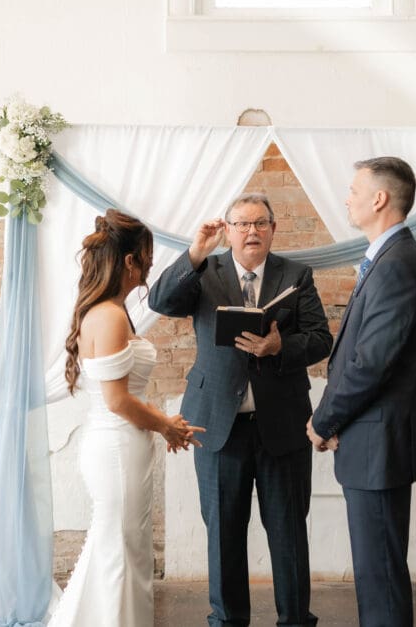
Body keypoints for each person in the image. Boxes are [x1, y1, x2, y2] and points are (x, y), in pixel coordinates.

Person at [149, 192, 333, 627]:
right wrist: (195, 251)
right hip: (216, 424)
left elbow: (321, 338)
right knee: (224, 535)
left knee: (288, 533)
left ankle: (295, 620)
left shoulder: (296, 274)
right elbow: (160, 302)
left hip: (283, 426)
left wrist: (279, 346)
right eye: (243, 224)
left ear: (273, 229)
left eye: (261, 223)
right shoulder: (204, 271)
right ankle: (227, 621)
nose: (252, 231)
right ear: (227, 230)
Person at [49, 209, 204, 627]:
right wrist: (165, 424)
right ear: (130, 260)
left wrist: (159, 423)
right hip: (117, 444)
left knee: (123, 545)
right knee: (120, 548)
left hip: (119, 442)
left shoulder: (106, 310)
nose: (151, 265)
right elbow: (117, 400)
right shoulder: (112, 315)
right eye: (148, 256)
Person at [307, 157, 416, 627]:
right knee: (376, 572)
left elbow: (370, 364)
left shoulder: (397, 263)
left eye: (354, 189)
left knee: (379, 576)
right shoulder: (388, 257)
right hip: (369, 442)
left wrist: (323, 420)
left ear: (379, 198)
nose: (347, 197)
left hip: (377, 446)